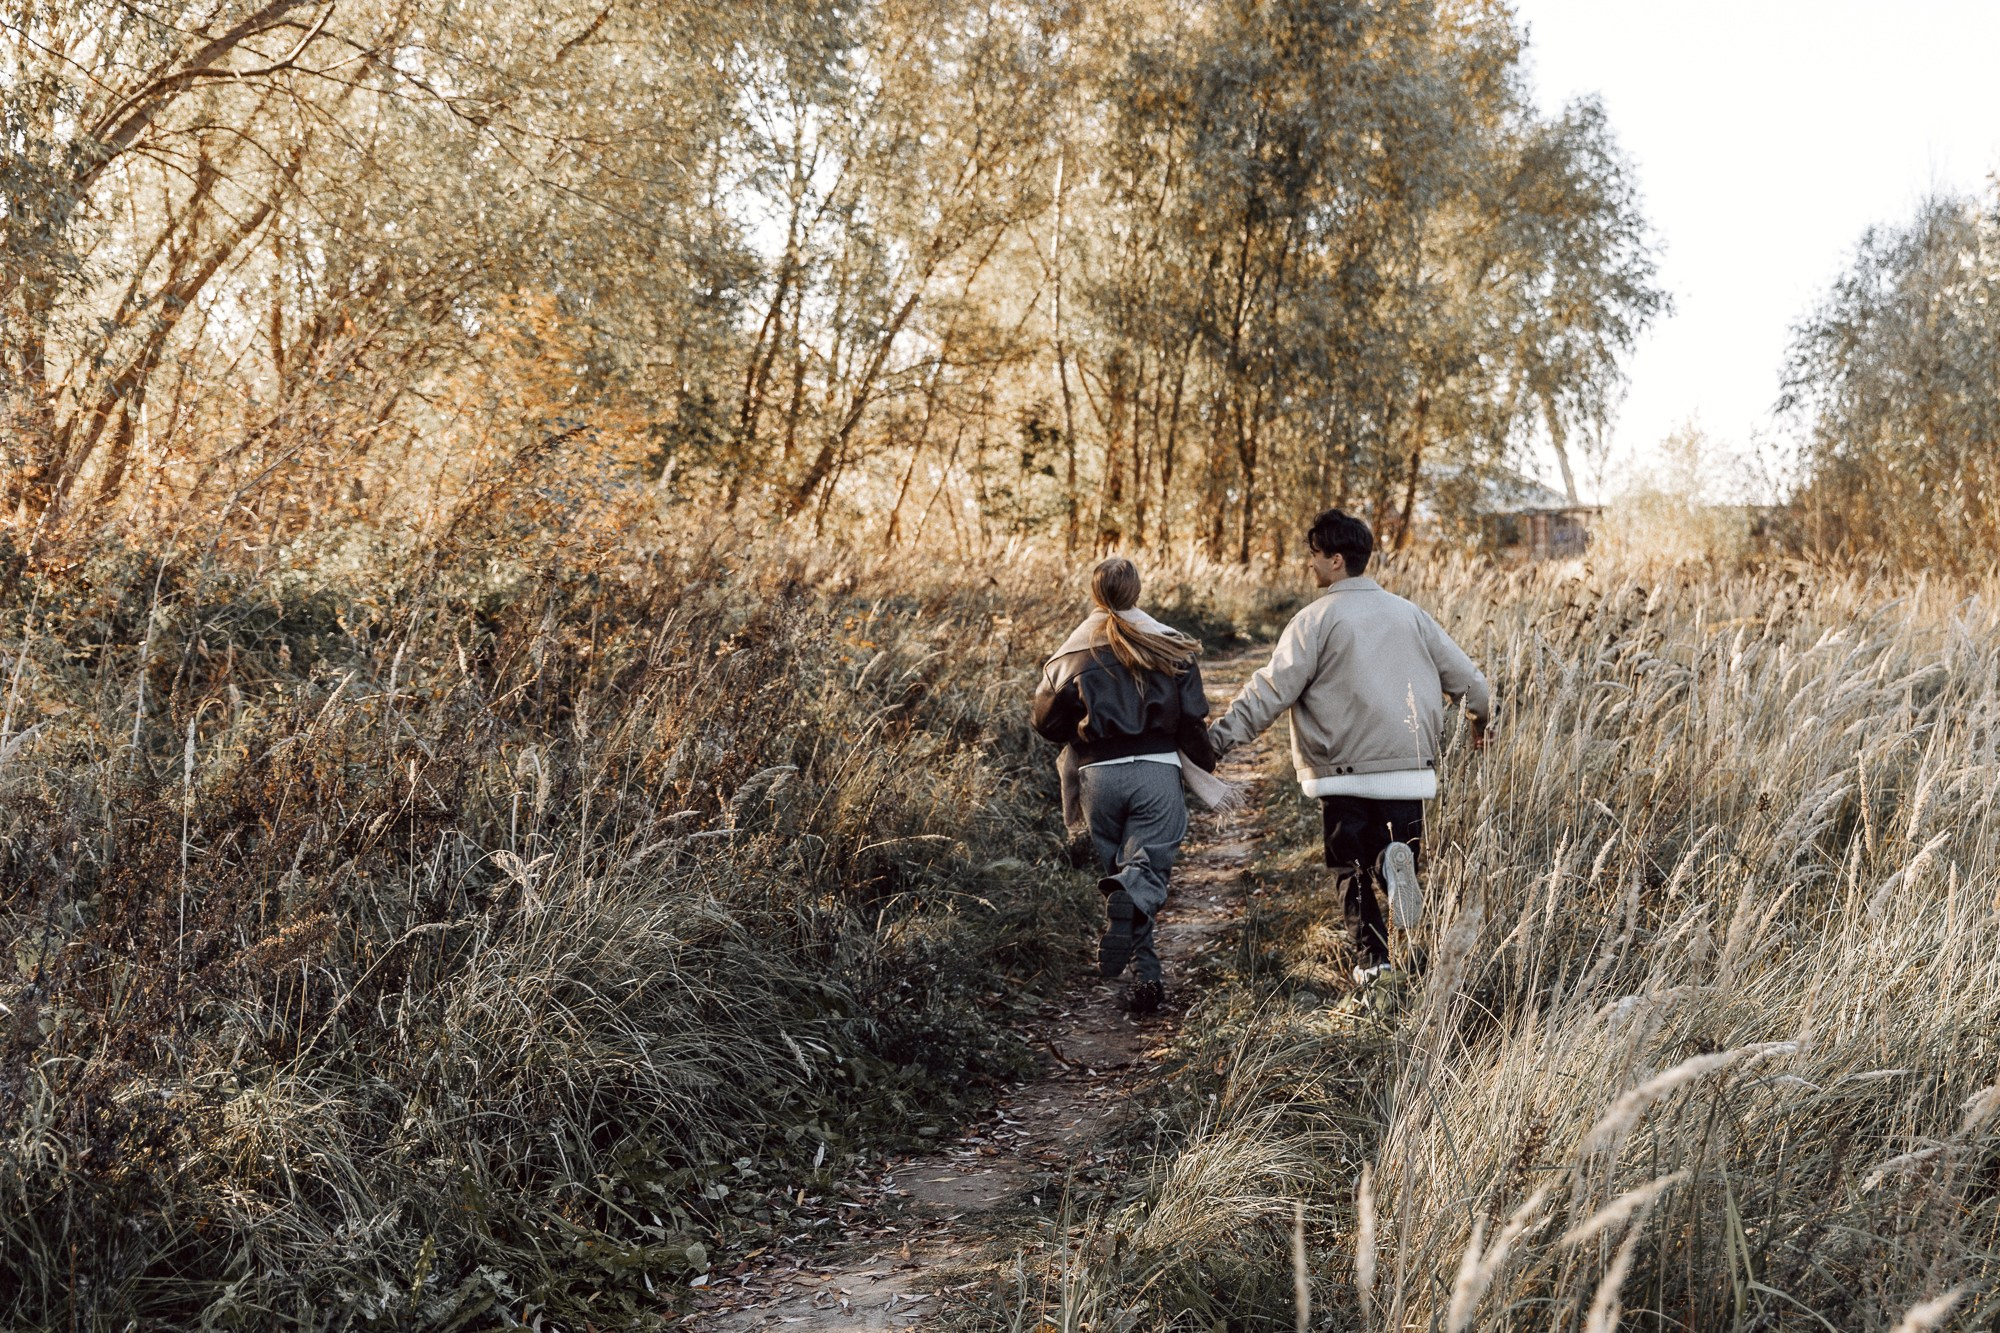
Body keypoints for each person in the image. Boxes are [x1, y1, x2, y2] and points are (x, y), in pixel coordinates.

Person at [1208, 509, 1490, 985]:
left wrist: (1216, 742)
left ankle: (1373, 965)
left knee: (1349, 868)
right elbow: (1471, 682)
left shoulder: (1313, 620)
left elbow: (1270, 691)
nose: (1310, 565)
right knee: (1395, 852)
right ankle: (1391, 863)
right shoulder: (1411, 615)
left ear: (1336, 560)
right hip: (1409, 767)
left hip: (1342, 771)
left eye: (1314, 556)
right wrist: (1481, 720)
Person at [1031, 557, 1220, 1013]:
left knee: (1126, 879)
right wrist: (1206, 763)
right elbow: (1194, 717)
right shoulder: (1169, 644)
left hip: (1096, 779)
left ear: (1096, 596)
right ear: (1137, 593)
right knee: (1142, 875)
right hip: (1155, 772)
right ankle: (1143, 965)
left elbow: (1046, 724)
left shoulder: (1068, 653)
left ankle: (1148, 981)